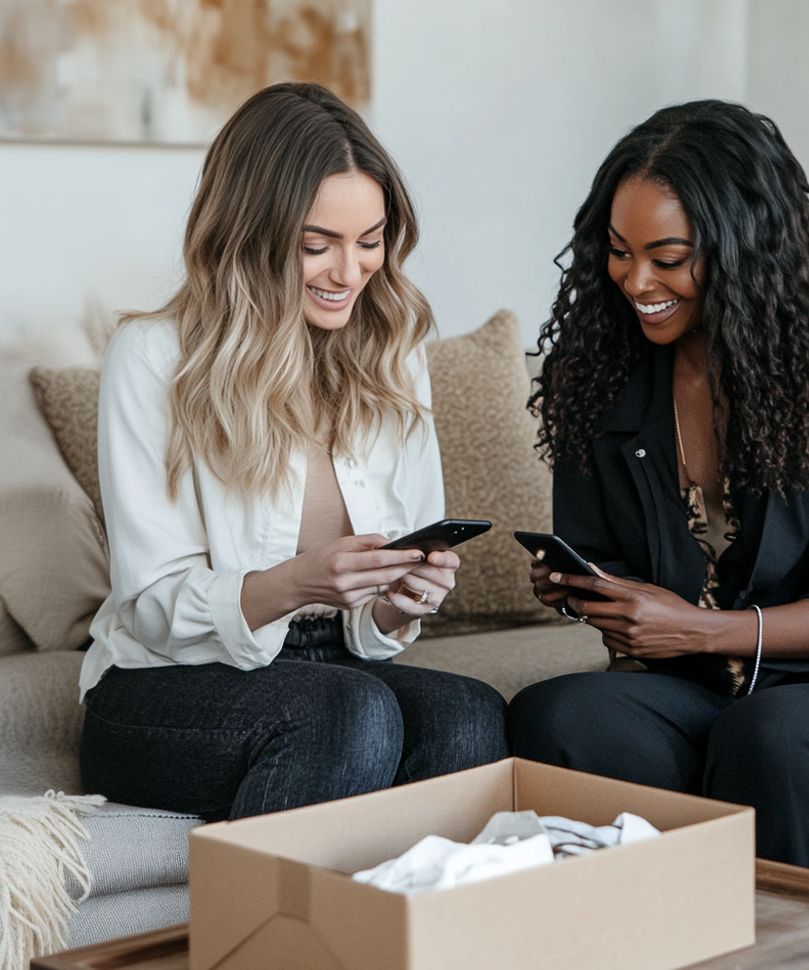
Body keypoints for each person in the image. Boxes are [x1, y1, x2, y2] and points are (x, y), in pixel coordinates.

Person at [507, 100, 809, 879]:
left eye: (667, 257)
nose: (635, 281)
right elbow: (611, 563)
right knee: (561, 714)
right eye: (617, 251)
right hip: (693, 689)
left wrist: (700, 630)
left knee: (772, 735)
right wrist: (594, 592)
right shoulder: (602, 368)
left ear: (742, 250)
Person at [79, 82, 507, 822]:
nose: (350, 272)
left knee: (466, 713)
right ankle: (274, 935)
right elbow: (150, 607)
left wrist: (403, 606)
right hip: (161, 684)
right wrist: (297, 583)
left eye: (369, 241)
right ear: (251, 232)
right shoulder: (152, 356)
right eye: (318, 245)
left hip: (332, 670)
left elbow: (378, 624)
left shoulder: (391, 352)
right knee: (344, 715)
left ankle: (416, 934)